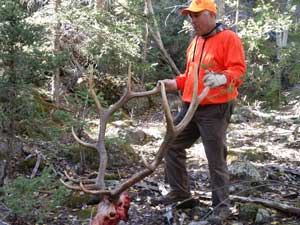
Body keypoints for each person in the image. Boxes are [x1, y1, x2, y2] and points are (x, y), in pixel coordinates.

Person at [157, 0, 246, 223]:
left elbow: (238, 70)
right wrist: (174, 84)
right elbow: (190, 76)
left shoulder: (229, 38)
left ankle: (222, 207)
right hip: (190, 106)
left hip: (215, 108)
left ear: (211, 15)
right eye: (190, 16)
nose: (192, 20)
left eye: (197, 15)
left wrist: (222, 78)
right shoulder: (195, 42)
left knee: (215, 158)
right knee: (172, 144)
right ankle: (180, 193)